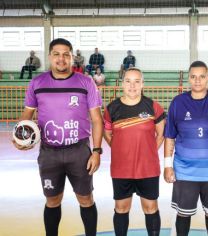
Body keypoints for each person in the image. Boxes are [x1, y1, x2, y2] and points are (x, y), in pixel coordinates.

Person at [12, 38, 103, 236]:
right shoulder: (37, 83)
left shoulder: (86, 82)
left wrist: (96, 151)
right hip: (49, 153)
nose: (61, 59)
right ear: (50, 56)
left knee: (86, 199)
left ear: (72, 57)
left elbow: (97, 120)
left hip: (79, 151)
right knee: (52, 200)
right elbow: (27, 115)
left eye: (65, 54)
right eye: (56, 54)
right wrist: (20, 135)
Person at [164, 61, 208, 236]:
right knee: (183, 213)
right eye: (193, 77)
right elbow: (170, 136)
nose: (197, 80)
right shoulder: (178, 103)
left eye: (202, 76)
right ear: (188, 79)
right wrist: (167, 165)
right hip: (185, 170)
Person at [103, 67, 165, 236]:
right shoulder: (112, 108)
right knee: (121, 208)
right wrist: (119, 148)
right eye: (128, 81)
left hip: (148, 168)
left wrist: (149, 150)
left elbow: (161, 133)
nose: (132, 86)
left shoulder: (153, 106)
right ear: (122, 84)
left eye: (137, 81)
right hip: (121, 169)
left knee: (150, 207)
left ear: (142, 84)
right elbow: (107, 132)